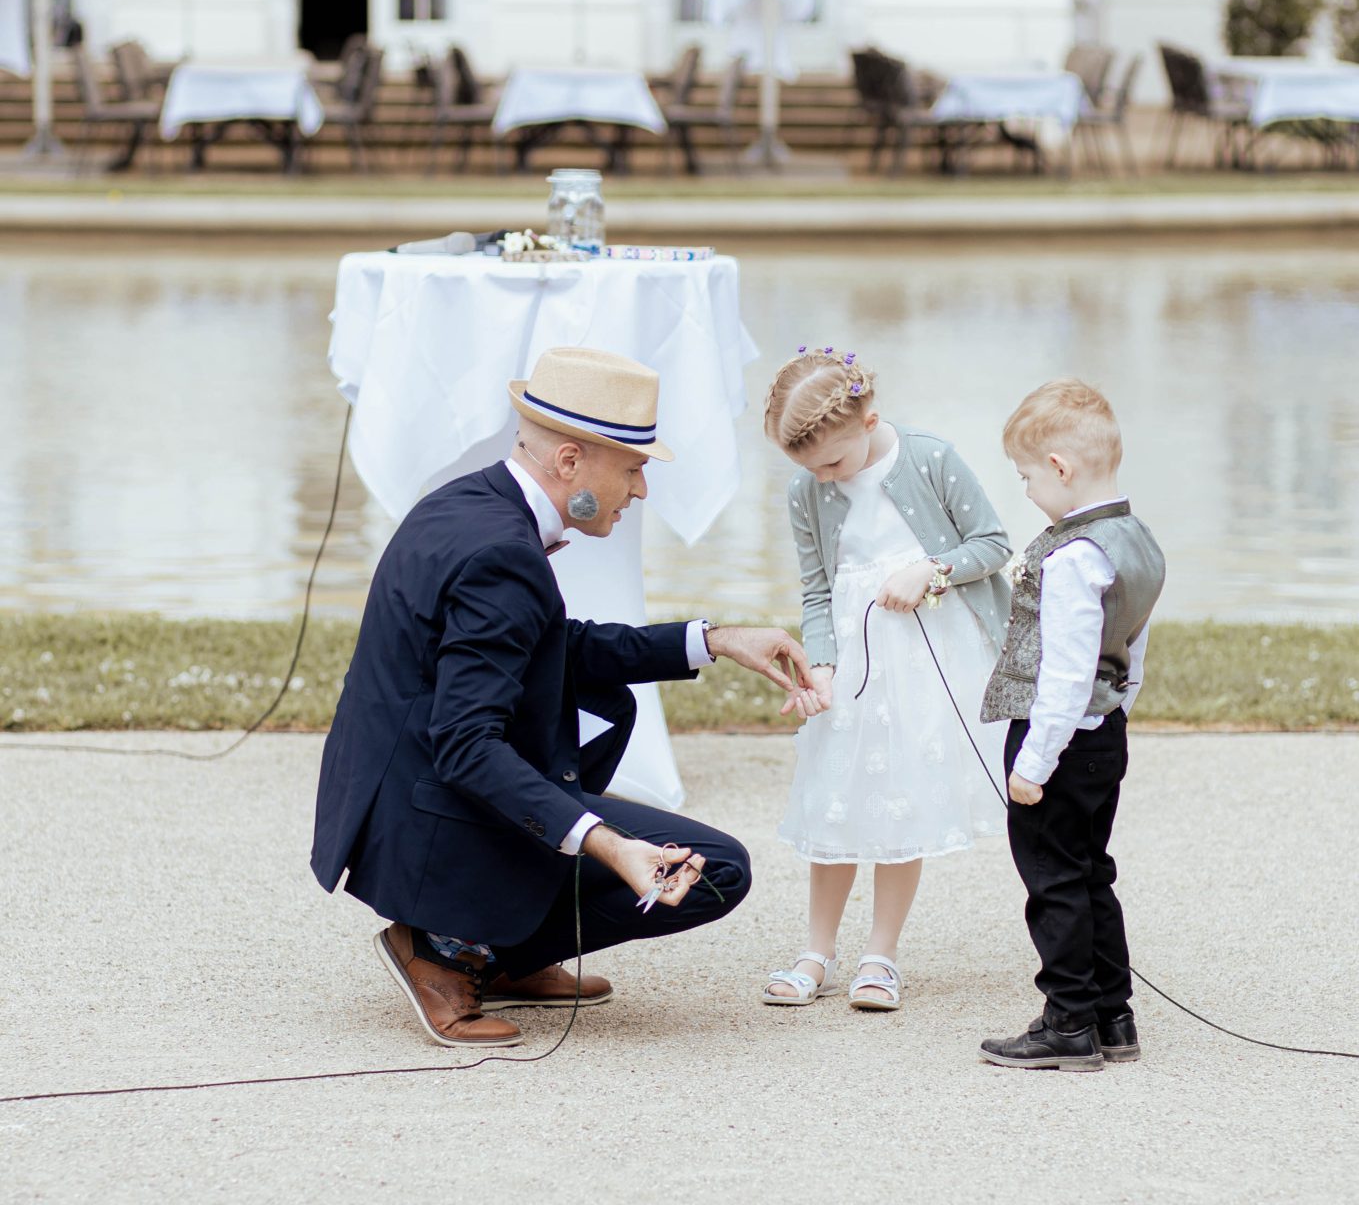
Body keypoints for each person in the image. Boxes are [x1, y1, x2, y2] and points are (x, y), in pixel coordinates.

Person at [311, 344, 813, 1050]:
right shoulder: (501, 551)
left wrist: (717, 639)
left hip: (394, 795)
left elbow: (553, 645)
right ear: (570, 462)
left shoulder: (470, 502)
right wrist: (608, 845)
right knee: (716, 870)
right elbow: (465, 744)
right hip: (429, 814)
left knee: (658, 844)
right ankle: (448, 950)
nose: (639, 491)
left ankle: (496, 946)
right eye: (633, 469)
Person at [760, 347, 1013, 1014]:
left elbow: (990, 544)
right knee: (834, 797)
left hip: (925, 654)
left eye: (832, 464)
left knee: (900, 796)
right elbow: (816, 591)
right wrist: (819, 666)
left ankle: (881, 954)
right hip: (852, 655)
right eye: (808, 469)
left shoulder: (928, 458)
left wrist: (928, 572)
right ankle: (816, 950)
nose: (822, 477)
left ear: (869, 419)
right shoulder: (805, 489)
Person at [978, 378, 1165, 1073]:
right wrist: (1123, 705)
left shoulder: (1071, 556)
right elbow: (1131, 644)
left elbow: (1063, 670)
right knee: (1091, 872)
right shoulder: (1134, 540)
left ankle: (1066, 1022)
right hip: (1103, 731)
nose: (1025, 489)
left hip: (1054, 735)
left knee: (1052, 880)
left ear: (1058, 467)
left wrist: (1032, 764)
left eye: (1025, 475)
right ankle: (1112, 1015)